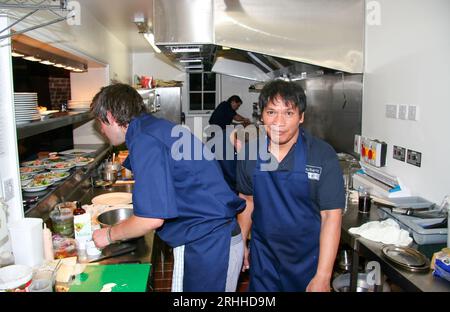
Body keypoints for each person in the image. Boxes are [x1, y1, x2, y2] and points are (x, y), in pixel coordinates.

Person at [91, 83, 246, 292]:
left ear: (110, 117)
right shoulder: (153, 128)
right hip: (208, 237)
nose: (101, 130)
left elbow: (151, 219)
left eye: (100, 123)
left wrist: (109, 235)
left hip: (210, 244)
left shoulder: (145, 139)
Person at [236, 79, 344, 292]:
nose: (279, 122)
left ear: (301, 117)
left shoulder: (322, 155)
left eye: (288, 113)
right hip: (264, 258)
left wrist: (323, 276)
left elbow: (331, 216)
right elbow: (247, 202)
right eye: (271, 112)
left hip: (309, 261)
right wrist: (241, 245)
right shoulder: (249, 154)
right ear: (261, 116)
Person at [208, 96, 251, 192]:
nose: (237, 108)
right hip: (217, 135)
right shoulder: (226, 105)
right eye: (237, 105)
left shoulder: (225, 109)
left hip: (216, 134)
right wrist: (245, 120)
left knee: (219, 161)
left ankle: (221, 183)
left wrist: (239, 125)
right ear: (233, 102)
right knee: (221, 160)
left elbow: (229, 122)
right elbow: (236, 117)